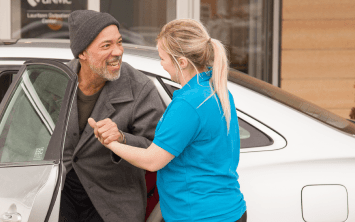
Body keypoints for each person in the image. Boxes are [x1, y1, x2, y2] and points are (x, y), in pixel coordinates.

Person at [89, 19, 247, 222]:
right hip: (226, 210)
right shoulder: (213, 90)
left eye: (162, 58)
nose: (161, 64)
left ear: (181, 62)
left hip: (200, 216)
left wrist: (110, 142)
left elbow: (152, 161)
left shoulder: (189, 104)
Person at [60, 10, 165, 222]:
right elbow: (20, 141)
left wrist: (122, 139)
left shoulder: (140, 87)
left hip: (113, 202)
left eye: (119, 42)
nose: (117, 51)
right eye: (106, 46)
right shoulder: (53, 82)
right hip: (59, 195)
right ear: (82, 53)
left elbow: (159, 151)